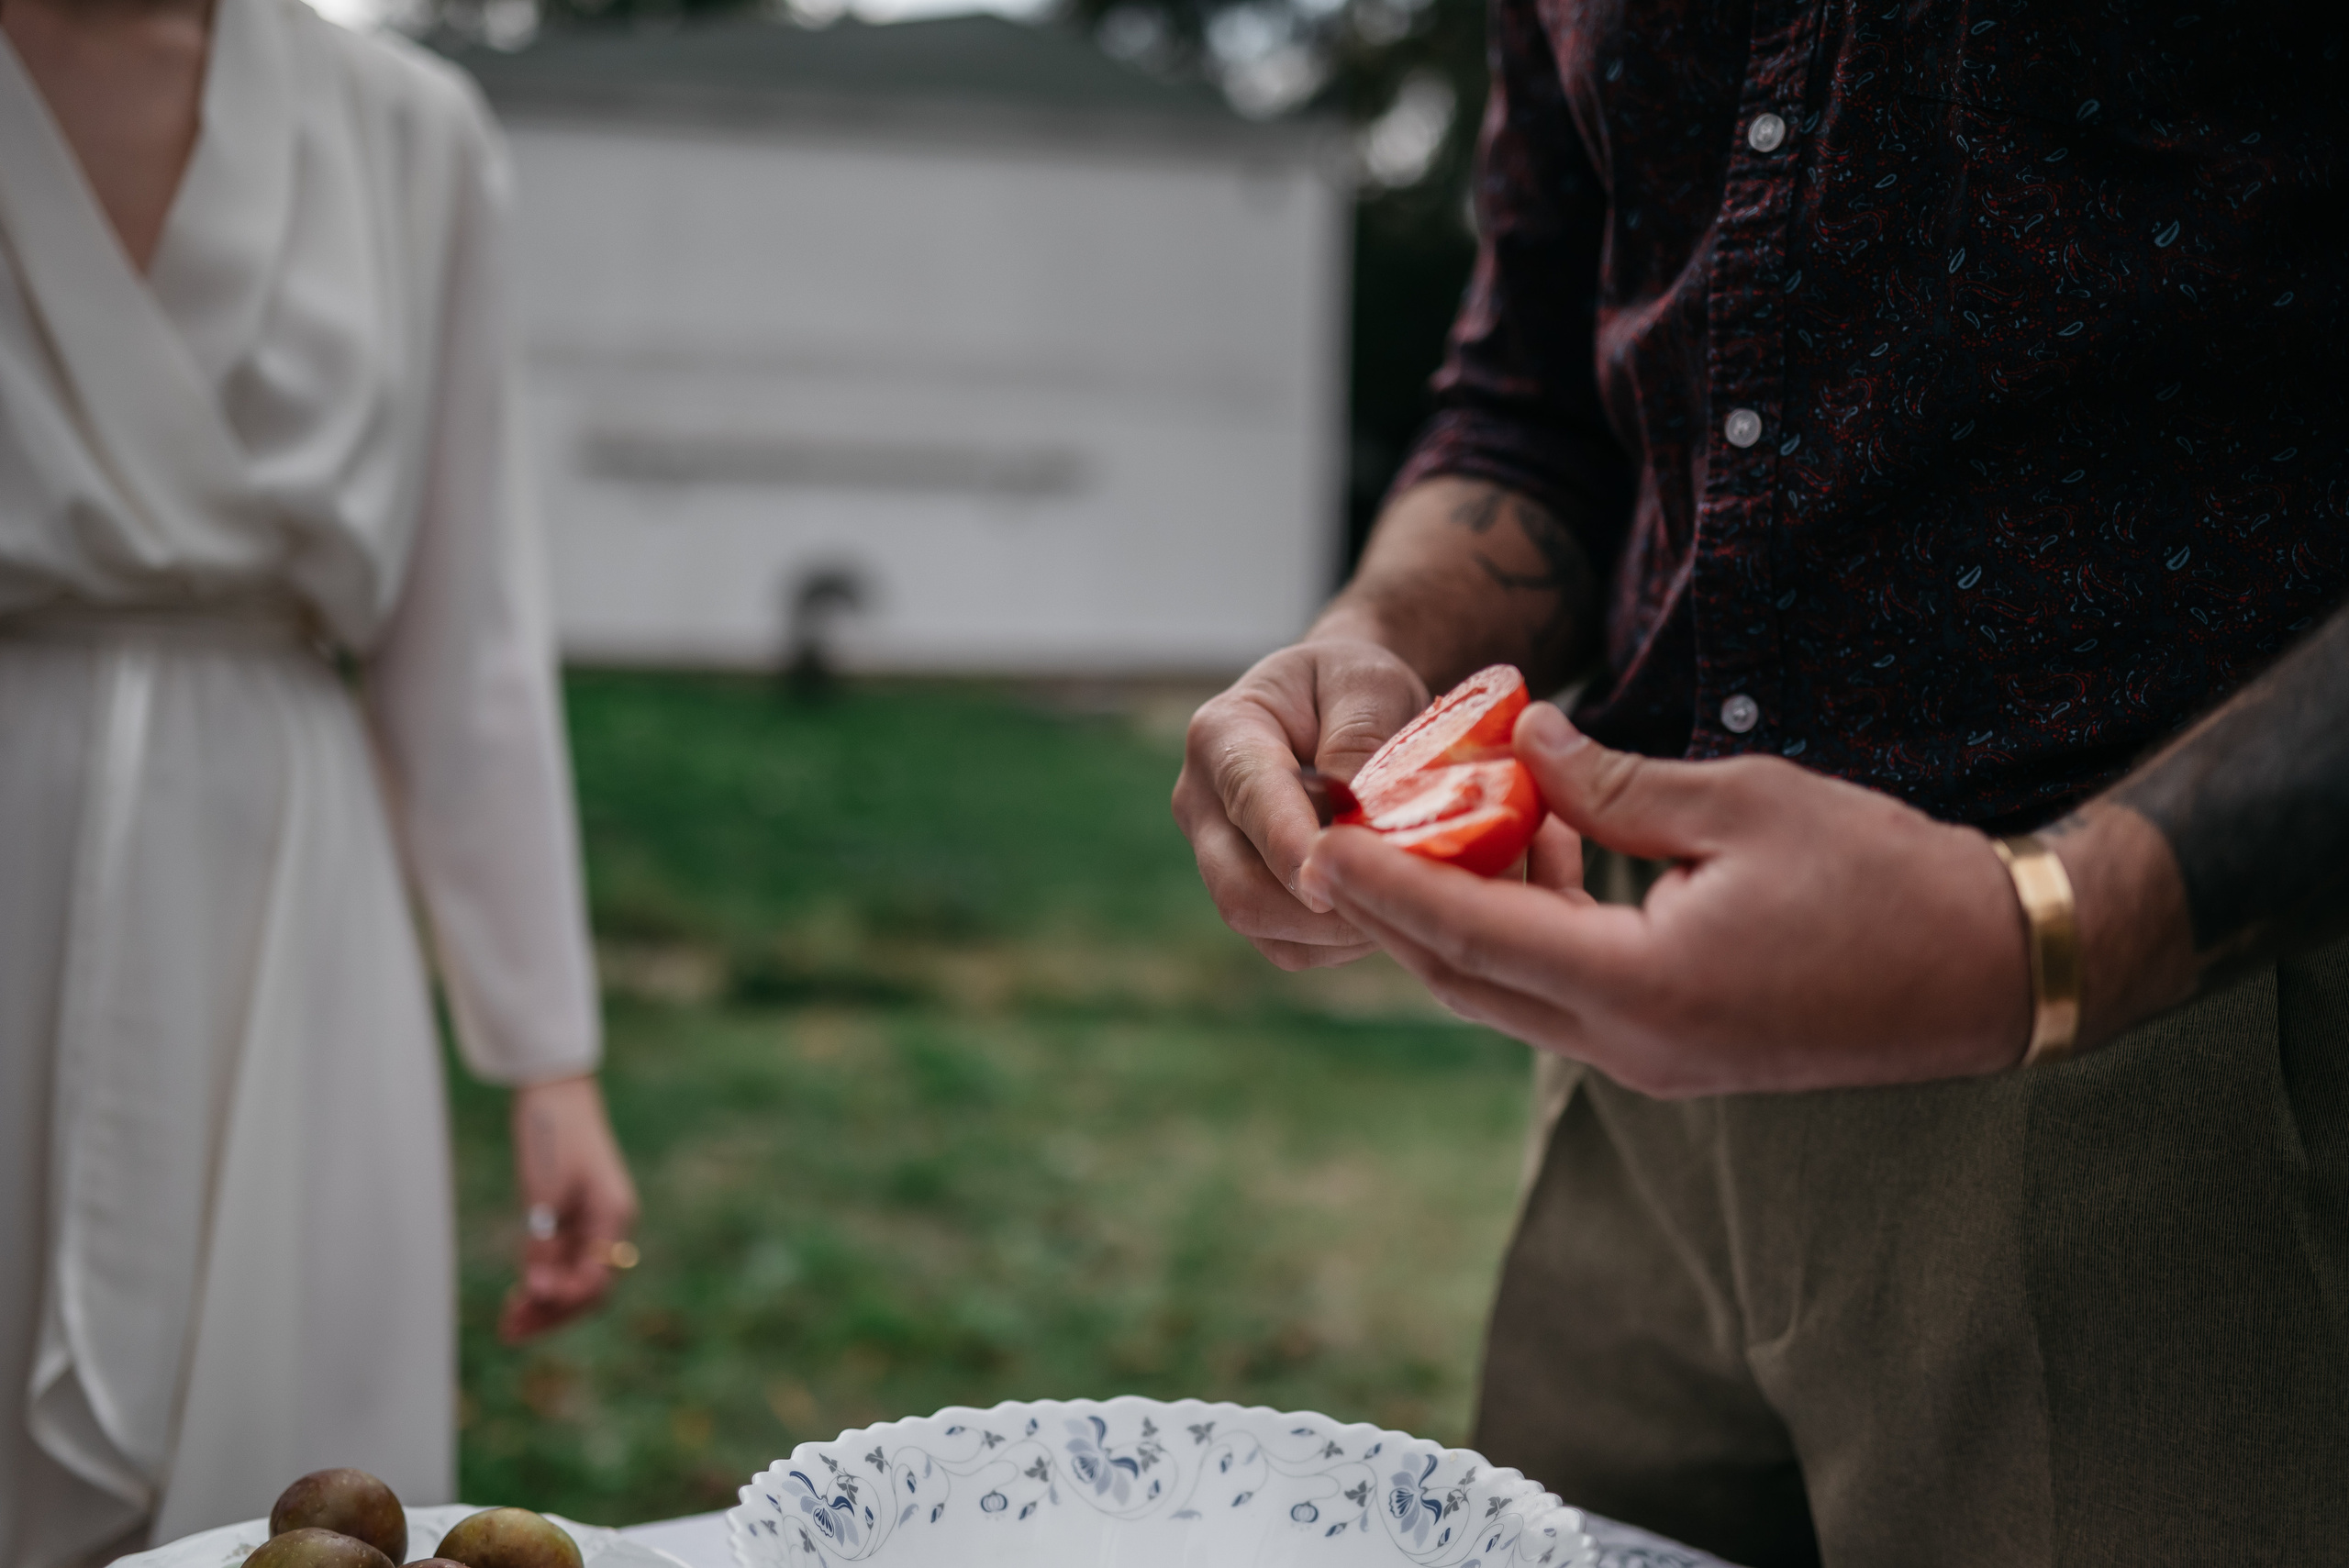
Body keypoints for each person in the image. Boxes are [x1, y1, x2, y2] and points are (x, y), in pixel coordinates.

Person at [1172, 3, 2347, 1565]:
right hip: (1630, 1102)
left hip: (2163, 1062)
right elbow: (1532, 393)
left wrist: (2050, 930)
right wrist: (1374, 638)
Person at [0, 0, 637, 1563]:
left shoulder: (406, 134)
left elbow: (465, 613)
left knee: (287, 1463)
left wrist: (544, 1051)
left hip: (284, 850)